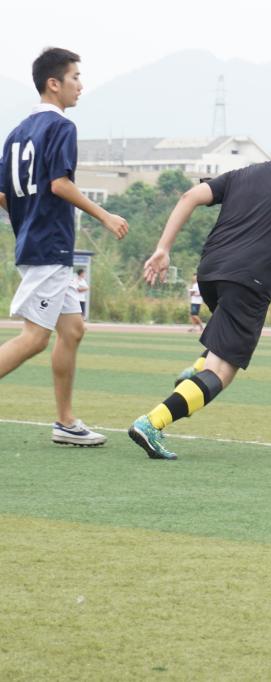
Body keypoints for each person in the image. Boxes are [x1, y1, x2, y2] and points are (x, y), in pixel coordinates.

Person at [128, 118, 271, 460]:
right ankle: (152, 422)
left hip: (210, 273)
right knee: (222, 372)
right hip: (248, 280)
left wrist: (163, 248)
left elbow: (190, 196)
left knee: (221, 343)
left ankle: (197, 369)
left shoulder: (242, 174)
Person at [0, 48, 129, 447]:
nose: (80, 85)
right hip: (49, 246)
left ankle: (65, 422)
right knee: (35, 338)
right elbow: (60, 184)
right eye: (75, 77)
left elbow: (4, 194)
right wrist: (104, 215)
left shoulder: (17, 133)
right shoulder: (61, 128)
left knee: (72, 330)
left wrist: (26, 217)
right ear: (53, 83)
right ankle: (65, 421)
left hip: (35, 243)